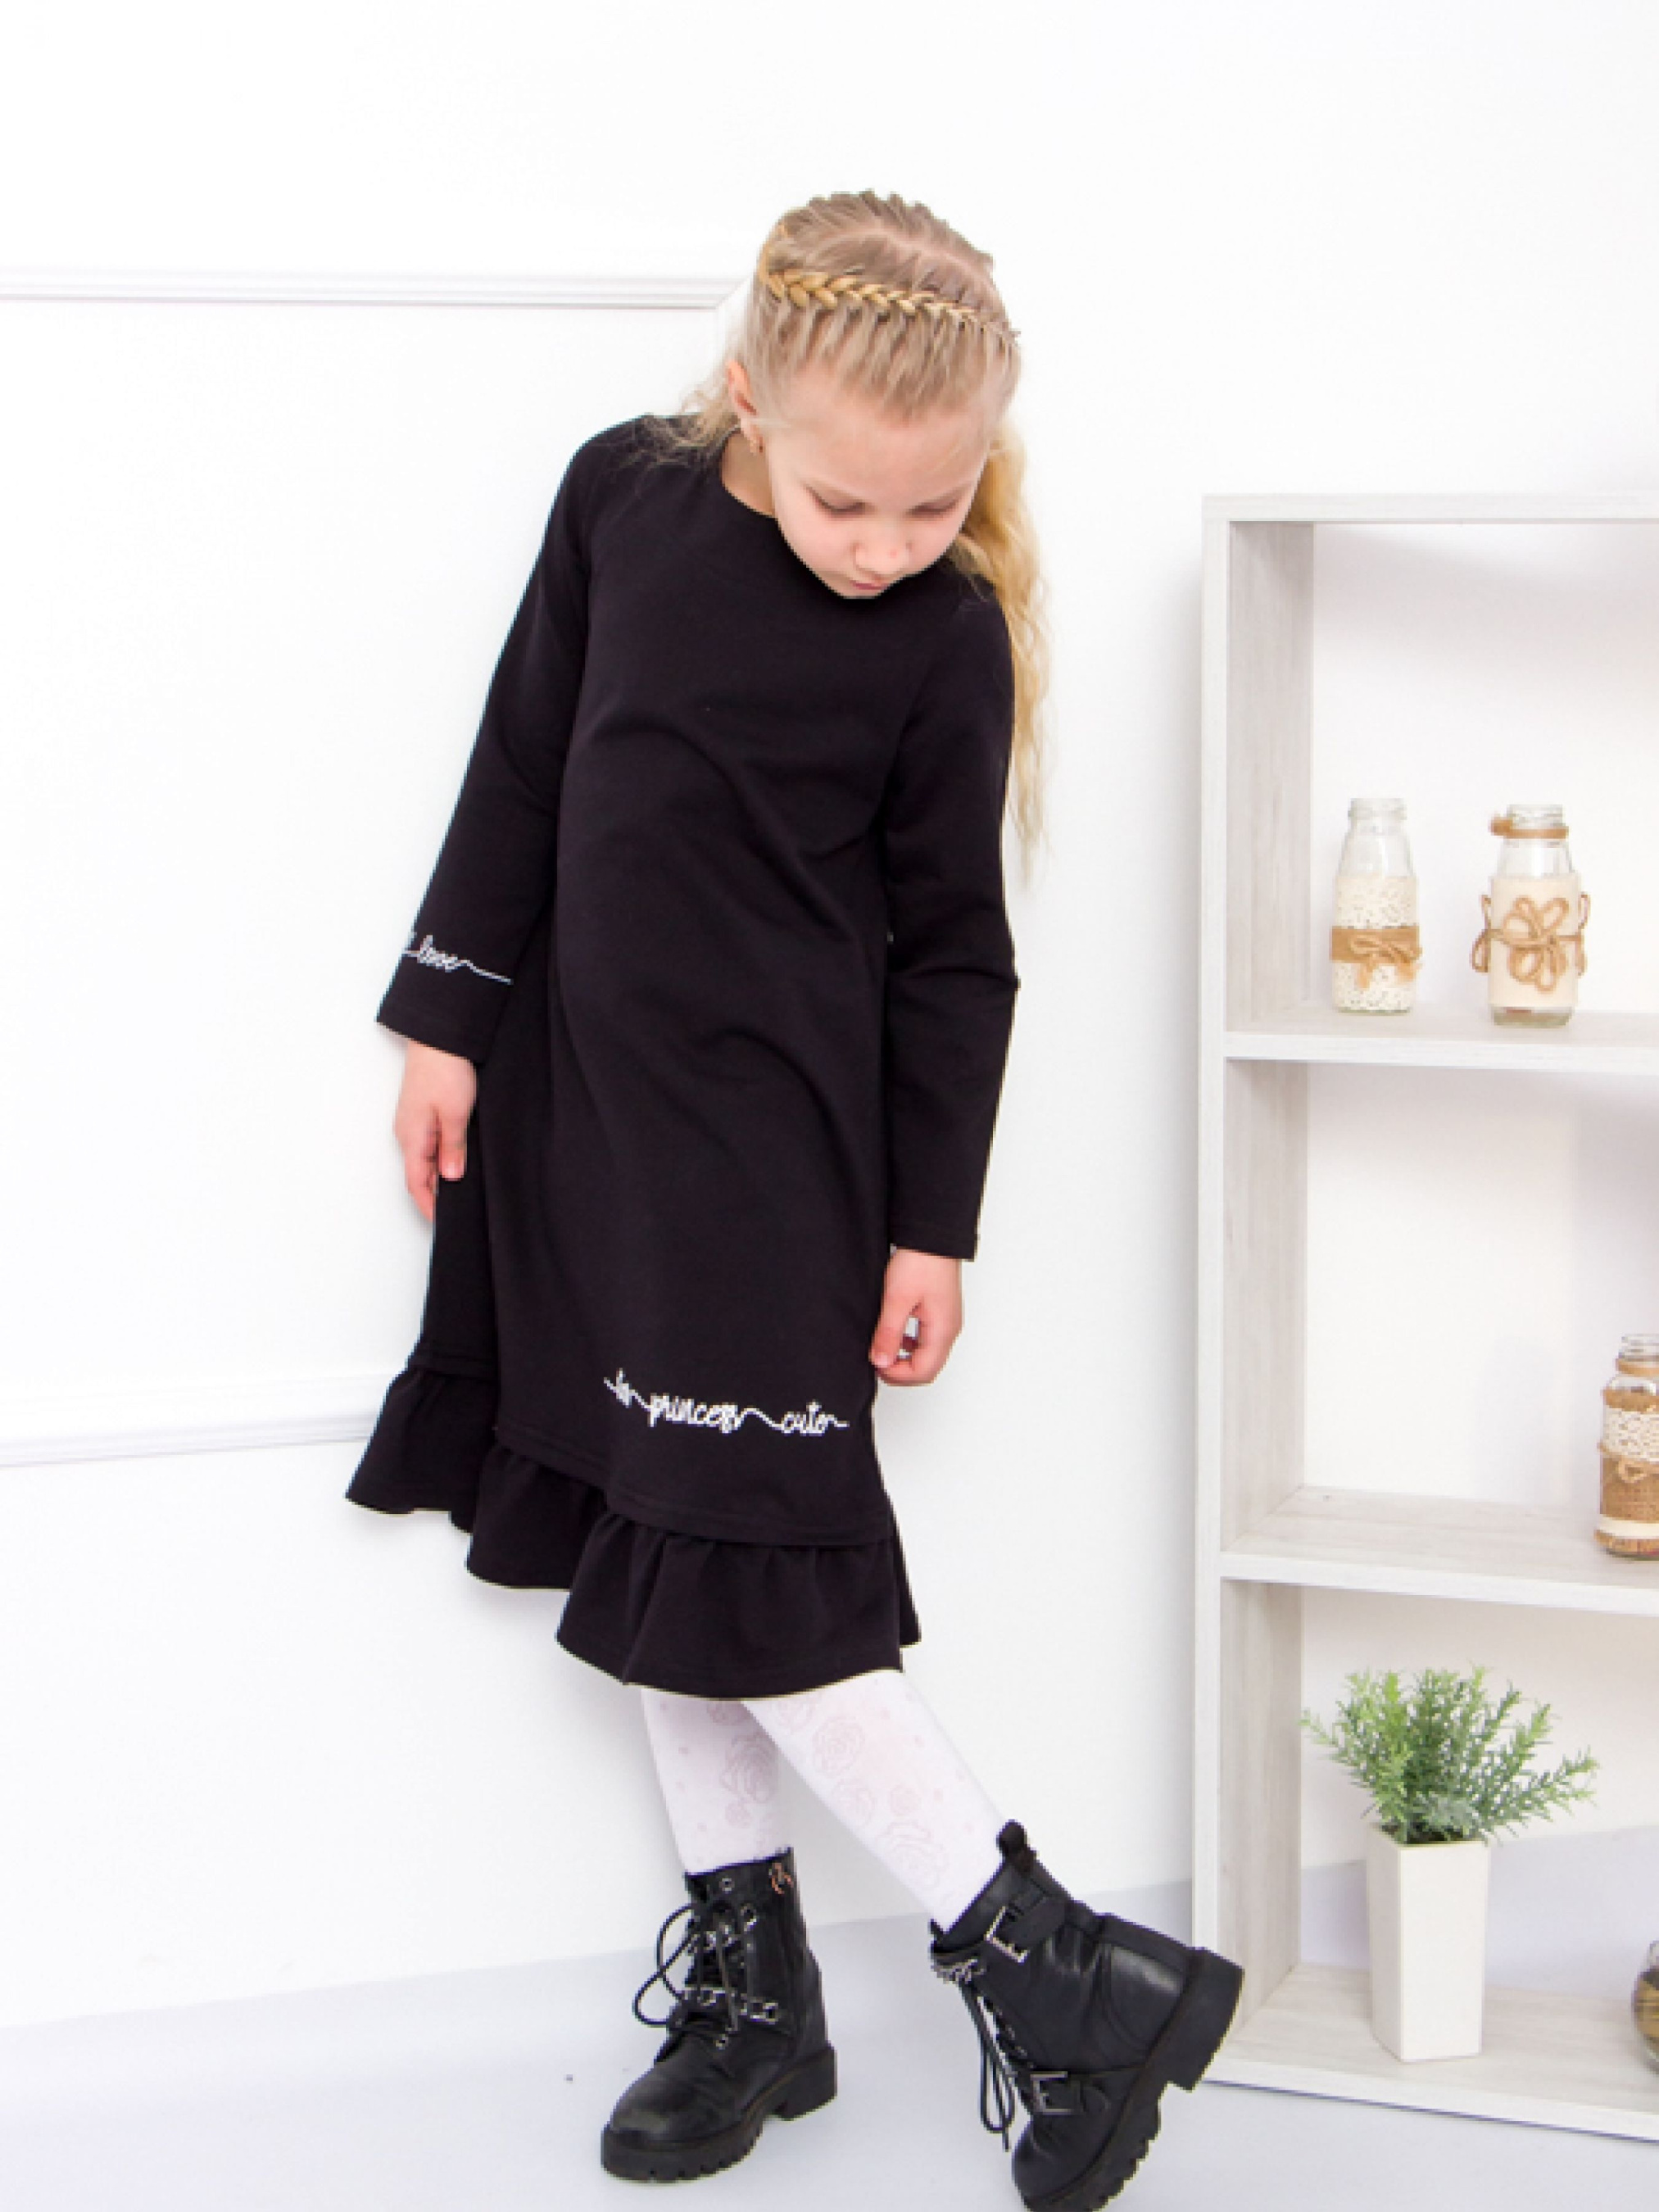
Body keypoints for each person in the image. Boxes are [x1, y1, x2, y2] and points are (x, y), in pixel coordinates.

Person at [345, 188, 1243, 2210]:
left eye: (934, 509)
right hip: (584, 1124)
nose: (885, 547)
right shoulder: (622, 500)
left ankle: (1052, 1968)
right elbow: (520, 766)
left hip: (773, 1170)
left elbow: (955, 957)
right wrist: (447, 1017)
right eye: (849, 504)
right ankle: (759, 1994)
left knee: (748, 1562)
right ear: (747, 397)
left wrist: (932, 1224)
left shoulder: (944, 640)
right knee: (662, 1532)